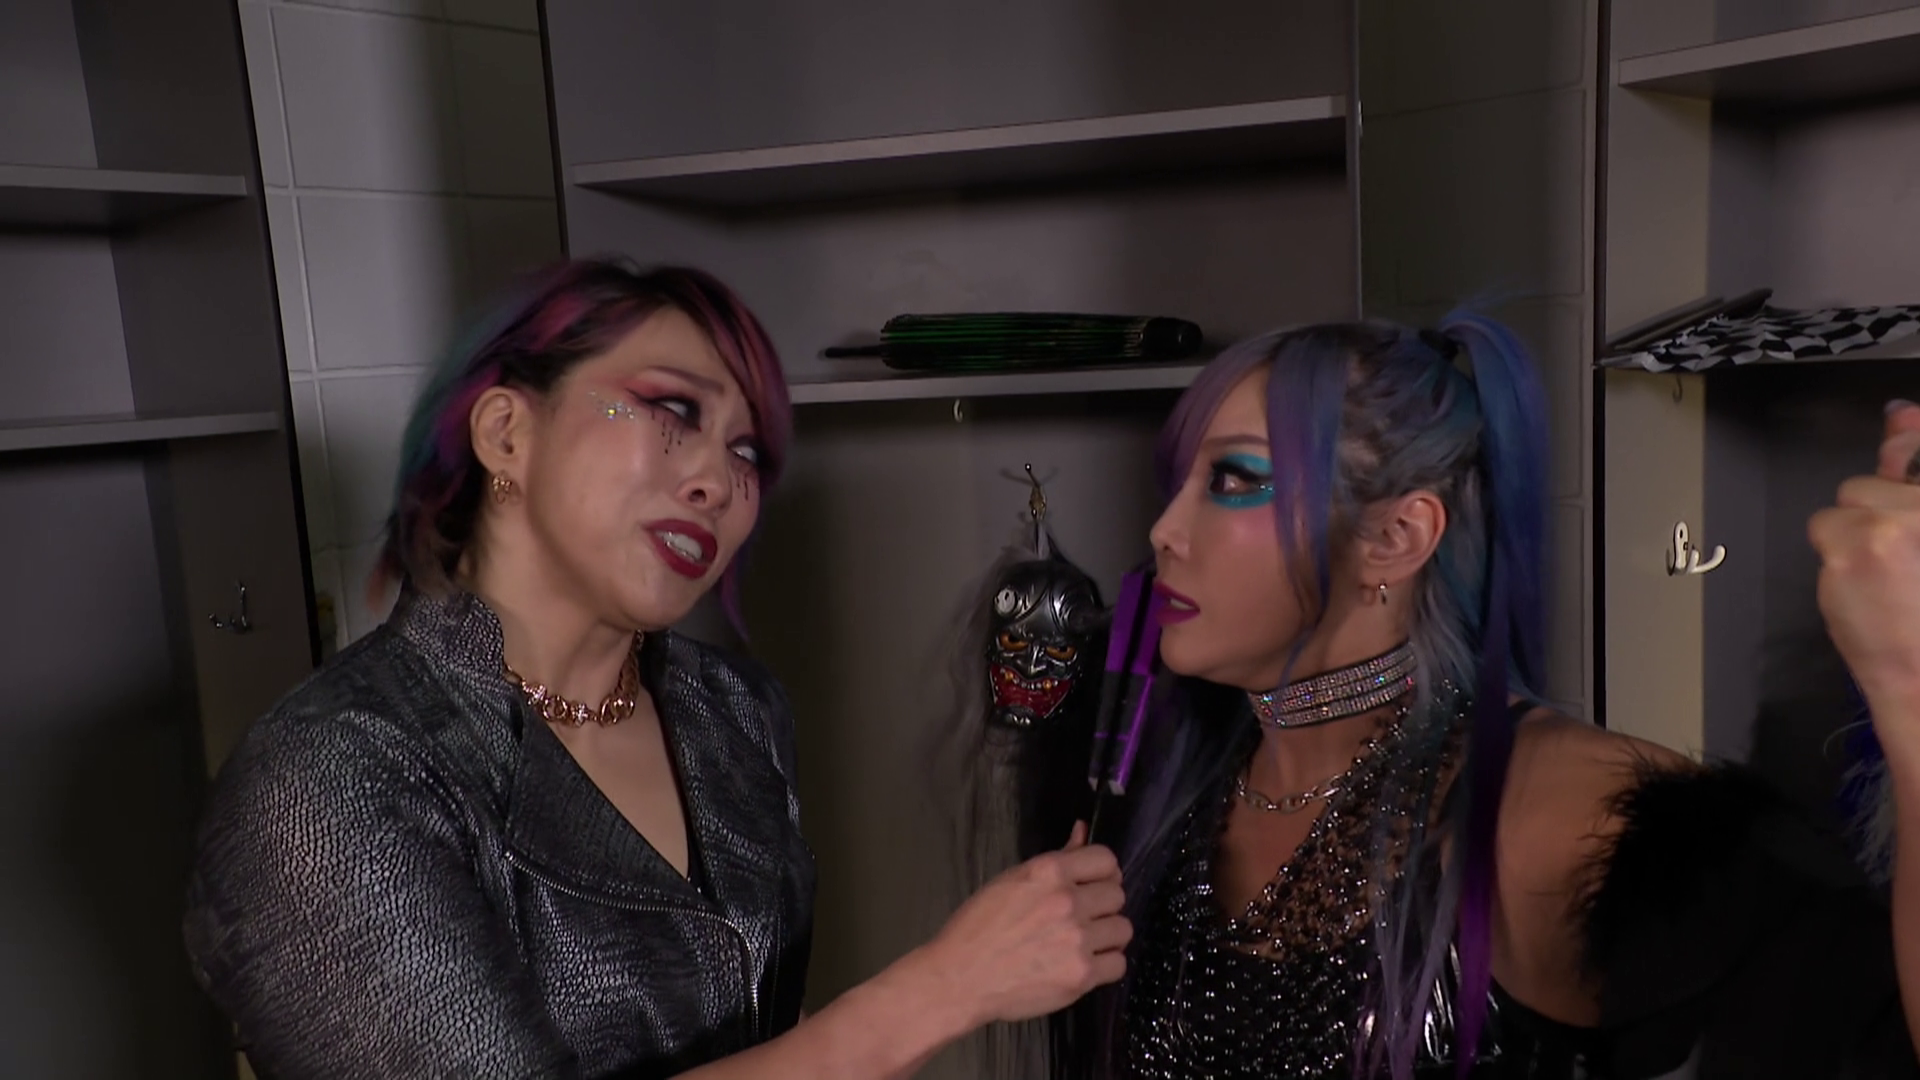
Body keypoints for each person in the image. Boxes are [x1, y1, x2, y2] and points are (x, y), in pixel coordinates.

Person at [182, 258, 1130, 1079]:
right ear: (507, 432)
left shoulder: (733, 710)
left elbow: (785, 1042)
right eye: (672, 410)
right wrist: (945, 990)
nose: (717, 481)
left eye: (746, 451)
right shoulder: (326, 777)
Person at [1022, 315, 1918, 1079]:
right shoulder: (1143, 788)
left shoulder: (1565, 817)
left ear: (1396, 537)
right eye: (1176, 483)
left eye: (1232, 480)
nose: (1163, 532)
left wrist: (1907, 688)